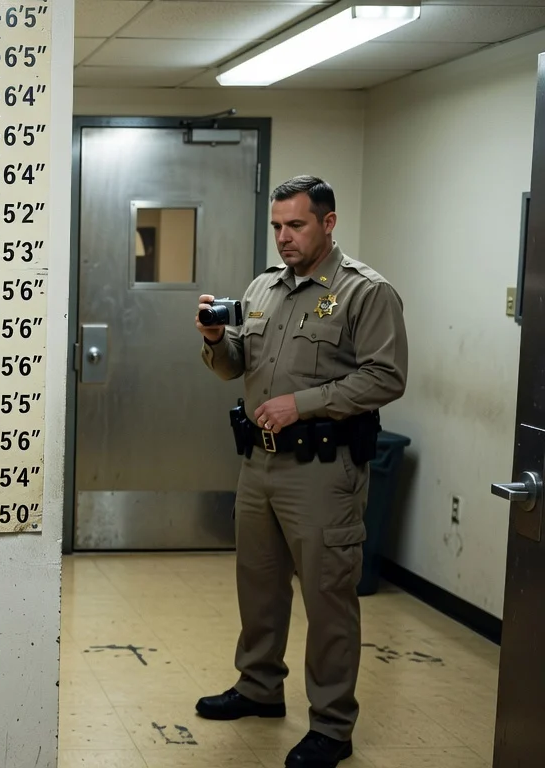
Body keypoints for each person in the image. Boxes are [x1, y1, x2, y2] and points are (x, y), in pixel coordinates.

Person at [193, 175, 408, 768]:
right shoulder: (263, 288)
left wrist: (302, 404)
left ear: (329, 222)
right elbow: (237, 363)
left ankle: (333, 725)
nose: (284, 238)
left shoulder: (365, 292)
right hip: (259, 463)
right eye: (277, 227)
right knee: (258, 586)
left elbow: (386, 377)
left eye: (297, 225)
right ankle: (260, 687)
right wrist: (216, 339)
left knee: (328, 598)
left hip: (323, 469)